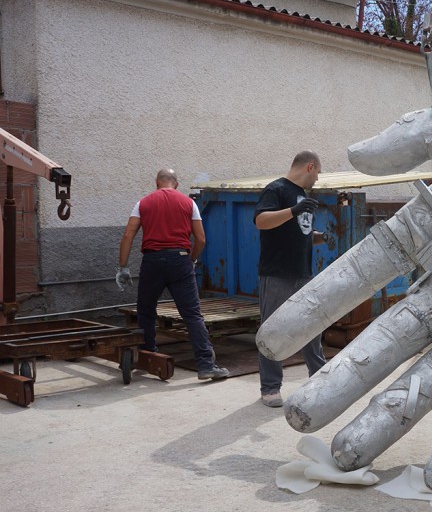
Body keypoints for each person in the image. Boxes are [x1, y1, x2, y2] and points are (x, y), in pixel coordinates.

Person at [117, 168, 230, 381]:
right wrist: (191, 259)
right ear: (176, 184)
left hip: (152, 262)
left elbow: (128, 235)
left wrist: (123, 267)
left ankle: (147, 354)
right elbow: (201, 239)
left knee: (146, 310)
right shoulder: (189, 203)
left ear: (156, 182)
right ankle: (206, 365)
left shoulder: (143, 203)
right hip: (180, 260)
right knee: (192, 314)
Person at [254, 151, 329, 407]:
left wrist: (319, 237)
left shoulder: (304, 196)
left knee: (311, 326)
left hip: (303, 273)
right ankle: (271, 387)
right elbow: (261, 221)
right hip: (276, 273)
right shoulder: (275, 190)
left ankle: (319, 378)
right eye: (317, 172)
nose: (317, 179)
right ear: (310, 166)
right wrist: (294, 209)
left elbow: (299, 230)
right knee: (273, 329)